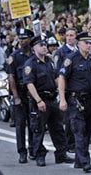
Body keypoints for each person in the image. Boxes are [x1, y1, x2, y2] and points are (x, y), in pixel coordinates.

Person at [24, 35, 74, 167]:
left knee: (57, 128)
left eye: (45, 45)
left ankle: (61, 154)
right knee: (38, 129)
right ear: (34, 48)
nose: (44, 47)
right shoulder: (30, 64)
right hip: (40, 100)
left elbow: (57, 78)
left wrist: (62, 92)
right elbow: (29, 84)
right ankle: (39, 155)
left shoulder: (50, 61)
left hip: (52, 99)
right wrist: (38, 101)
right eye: (41, 45)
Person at [58, 32, 91, 172]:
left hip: (89, 100)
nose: (89, 45)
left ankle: (78, 160)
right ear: (79, 43)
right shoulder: (71, 59)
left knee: (87, 131)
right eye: (86, 42)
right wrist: (62, 99)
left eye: (90, 42)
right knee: (79, 130)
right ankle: (85, 161)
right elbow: (62, 78)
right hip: (75, 100)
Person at [6, 28, 35, 163]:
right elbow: (11, 77)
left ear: (30, 39)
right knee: (20, 124)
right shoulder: (14, 56)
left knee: (34, 123)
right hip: (21, 93)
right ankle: (22, 151)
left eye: (24, 38)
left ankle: (33, 149)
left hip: (34, 94)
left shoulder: (35, 54)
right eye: (20, 38)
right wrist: (16, 97)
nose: (22, 41)